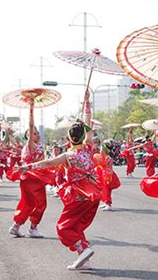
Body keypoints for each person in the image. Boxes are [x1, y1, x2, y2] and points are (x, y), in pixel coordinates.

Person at [16, 90, 101, 270]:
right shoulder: (88, 148)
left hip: (78, 195)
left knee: (63, 228)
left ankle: (82, 249)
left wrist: (27, 167)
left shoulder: (68, 155)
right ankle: (83, 255)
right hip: (93, 193)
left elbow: (46, 163)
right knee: (75, 226)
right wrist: (87, 104)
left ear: (69, 139)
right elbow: (88, 126)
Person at [8, 94, 54, 238]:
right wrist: (31, 108)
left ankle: (16, 226)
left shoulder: (37, 146)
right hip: (31, 178)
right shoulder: (30, 146)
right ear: (28, 136)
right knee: (38, 204)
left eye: (38, 133)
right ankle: (32, 227)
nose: (37, 135)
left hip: (34, 178)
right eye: (34, 133)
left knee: (27, 203)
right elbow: (30, 125)